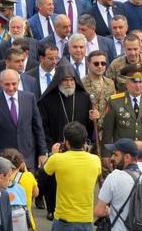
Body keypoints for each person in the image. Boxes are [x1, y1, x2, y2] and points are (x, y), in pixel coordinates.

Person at [38, 62, 94, 220]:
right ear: (58, 81)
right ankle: (52, 208)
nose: (69, 83)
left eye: (71, 80)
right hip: (56, 144)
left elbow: (90, 126)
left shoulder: (84, 97)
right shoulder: (48, 99)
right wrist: (50, 145)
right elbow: (43, 125)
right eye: (65, 80)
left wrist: (91, 121)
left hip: (79, 147)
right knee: (53, 180)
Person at [0, 68, 47, 169]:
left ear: (19, 82)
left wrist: (42, 152)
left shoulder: (29, 98)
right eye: (7, 84)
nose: (11, 88)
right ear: (1, 83)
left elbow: (38, 127)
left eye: (14, 84)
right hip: (3, 159)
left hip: (28, 157)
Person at [94, 138, 142, 230]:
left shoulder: (114, 177)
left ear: (127, 157)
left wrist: (110, 211)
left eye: (115, 155)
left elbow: (98, 211)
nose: (112, 158)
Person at [45, 122, 101, 230]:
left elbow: (44, 173)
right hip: (86, 219)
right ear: (84, 142)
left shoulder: (57, 159)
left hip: (63, 219)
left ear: (67, 143)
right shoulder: (95, 160)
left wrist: (53, 154)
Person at [1, 148, 39, 230]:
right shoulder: (28, 176)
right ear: (21, 163)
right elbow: (36, 193)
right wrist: (26, 171)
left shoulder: (1, 179)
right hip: (25, 222)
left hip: (5, 223)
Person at [82, 50, 116, 138]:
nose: (100, 66)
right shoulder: (82, 84)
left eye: (103, 63)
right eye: (96, 64)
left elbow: (114, 107)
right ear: (88, 64)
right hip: (89, 132)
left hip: (107, 133)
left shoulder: (110, 83)